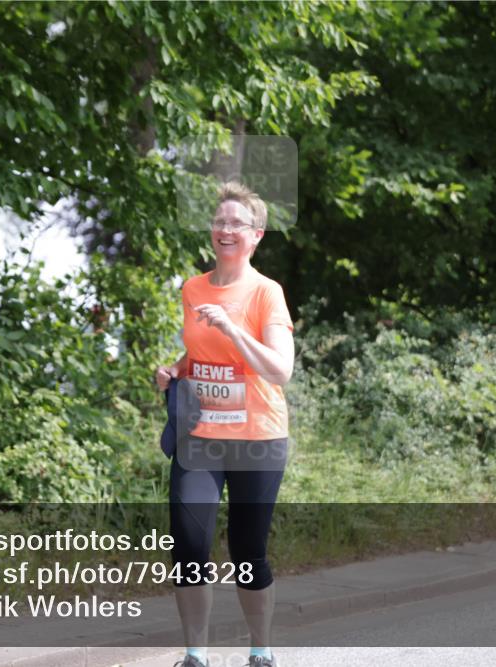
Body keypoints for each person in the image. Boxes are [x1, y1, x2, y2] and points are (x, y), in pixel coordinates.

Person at [155, 181, 294, 667]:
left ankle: (261, 651)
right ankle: (196, 655)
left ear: (256, 235)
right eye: (220, 222)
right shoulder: (192, 289)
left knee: (246, 549)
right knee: (189, 545)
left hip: (257, 439)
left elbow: (281, 369)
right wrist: (177, 369)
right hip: (202, 439)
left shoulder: (266, 293)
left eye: (237, 223)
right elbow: (200, 352)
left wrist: (232, 328)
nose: (226, 229)